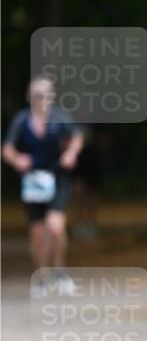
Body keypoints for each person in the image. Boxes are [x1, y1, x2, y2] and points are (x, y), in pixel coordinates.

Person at [2, 75, 83, 296]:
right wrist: (17, 159)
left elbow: (77, 137)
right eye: (38, 95)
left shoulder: (59, 117)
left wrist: (70, 153)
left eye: (47, 95)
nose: (43, 99)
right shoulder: (21, 120)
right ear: (30, 97)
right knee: (37, 234)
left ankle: (60, 272)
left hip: (57, 178)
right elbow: (7, 149)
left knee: (55, 227)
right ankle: (42, 277)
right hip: (32, 182)